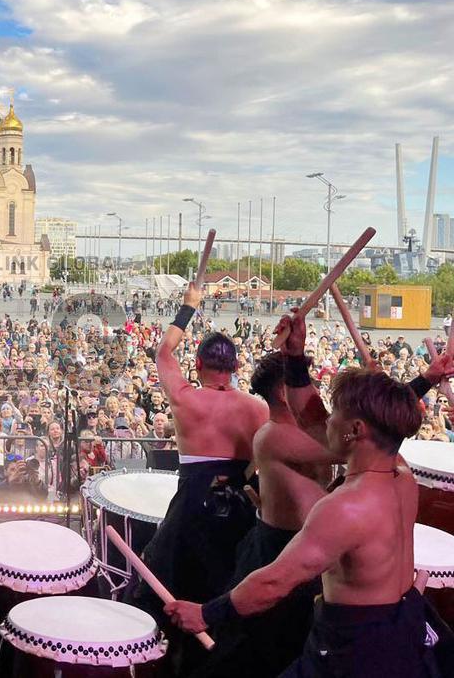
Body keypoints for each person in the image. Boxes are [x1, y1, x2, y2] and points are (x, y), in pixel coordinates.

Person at [166, 359, 454, 678]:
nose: (324, 423)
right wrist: (295, 358)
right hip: (400, 626)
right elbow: (319, 420)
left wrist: (205, 613)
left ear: (355, 429)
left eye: (334, 414)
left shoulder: (345, 507)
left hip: (358, 647)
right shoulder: (401, 474)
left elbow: (275, 582)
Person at [125, 282, 268, 676]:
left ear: (200, 365)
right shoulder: (257, 409)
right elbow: (261, 463)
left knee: (166, 587)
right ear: (236, 369)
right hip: (238, 508)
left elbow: (163, 352)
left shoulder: (186, 398)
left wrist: (188, 307)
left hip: (191, 506)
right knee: (226, 590)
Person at [192, 350, 342, 678]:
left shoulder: (306, 428)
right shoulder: (273, 434)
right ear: (281, 392)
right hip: (278, 549)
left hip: (302, 547)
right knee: (258, 653)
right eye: (305, 382)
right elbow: (345, 447)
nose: (313, 387)